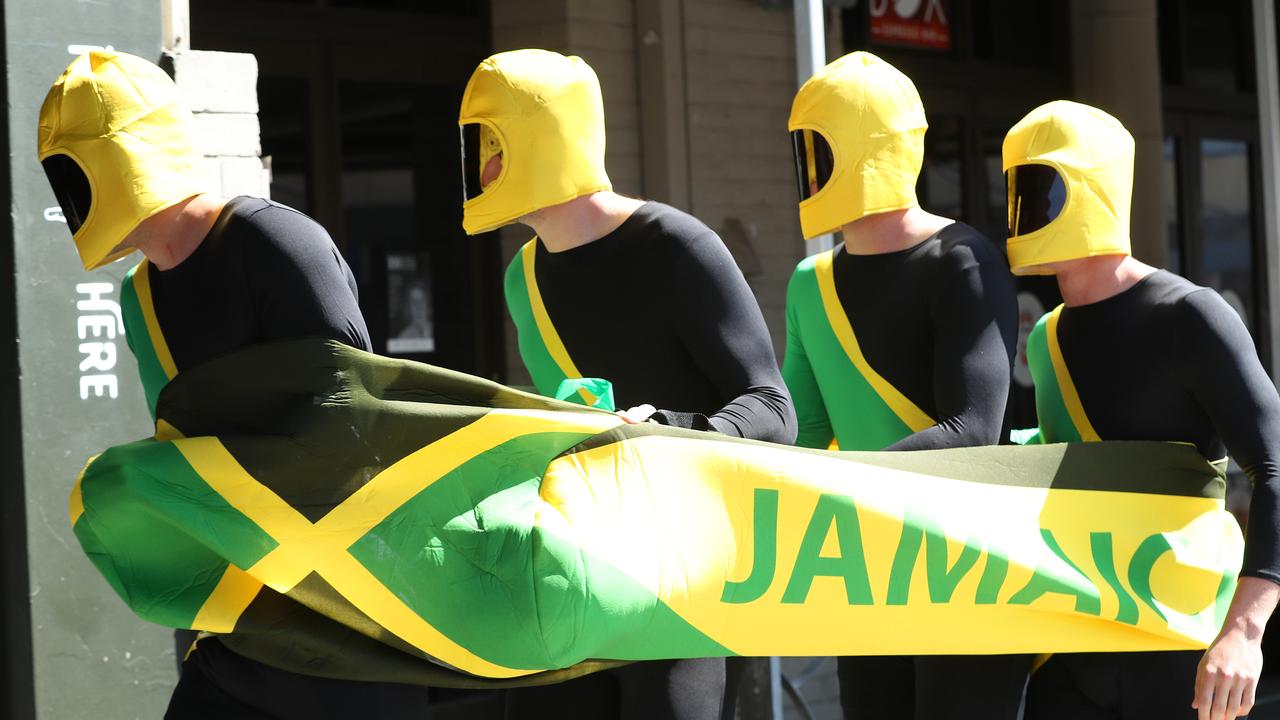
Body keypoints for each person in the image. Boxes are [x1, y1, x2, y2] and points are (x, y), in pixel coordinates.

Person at [38, 50, 431, 719]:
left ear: (123, 156)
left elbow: (359, 435)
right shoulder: (141, 296)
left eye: (73, 170)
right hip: (240, 621)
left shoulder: (278, 244)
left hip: (348, 628)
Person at [458, 48, 796, 719]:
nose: (475, 167)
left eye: (485, 143)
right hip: (572, 580)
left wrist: (663, 431)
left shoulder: (679, 247)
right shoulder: (520, 278)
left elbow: (773, 409)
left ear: (534, 138)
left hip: (686, 582)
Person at [1005, 100, 1280, 720]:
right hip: (1069, 648)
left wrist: (1245, 630)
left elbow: (1276, 465)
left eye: (1039, 187)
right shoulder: (1044, 338)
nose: (1024, 209)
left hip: (1178, 649)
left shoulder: (1191, 316)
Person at [780, 51, 1025, 719]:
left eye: (819, 148)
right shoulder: (811, 284)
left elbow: (973, 431)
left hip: (966, 572)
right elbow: (798, 437)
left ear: (867, 148)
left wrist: (840, 486)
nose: (806, 170)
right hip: (866, 580)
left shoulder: (963, 260)